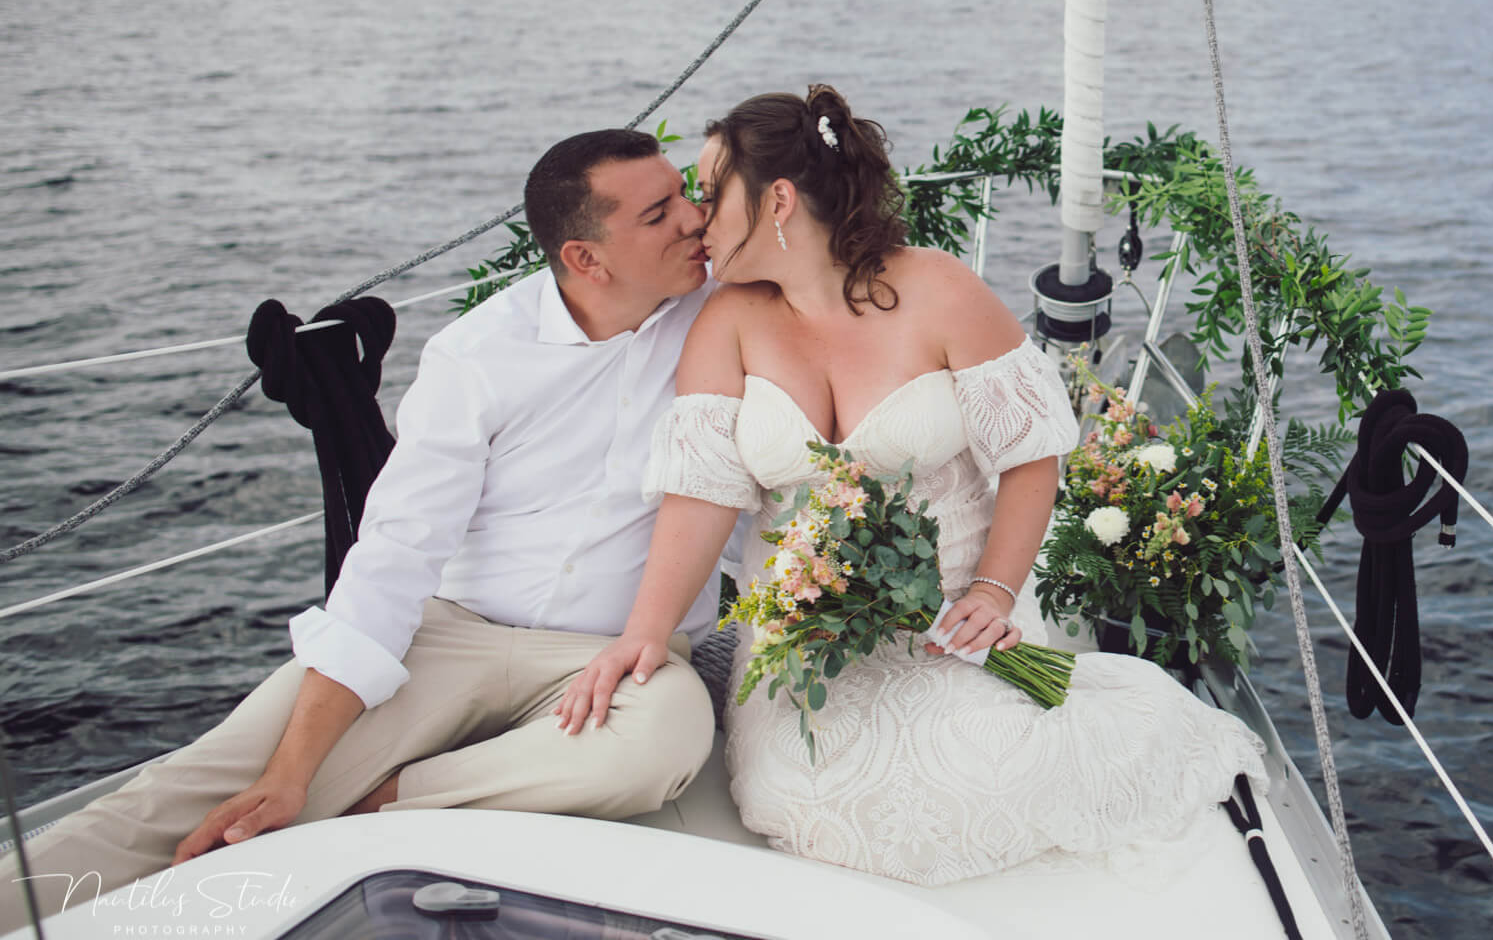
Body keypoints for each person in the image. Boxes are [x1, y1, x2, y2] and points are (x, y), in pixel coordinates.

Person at [1, 128, 732, 934]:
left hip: (615, 654)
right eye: (661, 212)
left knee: (660, 743)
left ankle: (380, 803)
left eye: (686, 196)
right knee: (203, 781)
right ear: (585, 258)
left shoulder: (727, 320)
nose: (696, 220)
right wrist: (290, 770)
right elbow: (395, 551)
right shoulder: (479, 354)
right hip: (452, 636)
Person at [557, 86, 1267, 886]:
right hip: (806, 641)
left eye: (711, 192)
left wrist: (996, 593)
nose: (694, 215)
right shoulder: (725, 324)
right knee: (792, 793)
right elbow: (701, 500)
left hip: (959, 618)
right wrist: (642, 637)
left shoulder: (939, 289)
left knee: (996, 765)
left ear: (778, 200)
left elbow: (1032, 458)